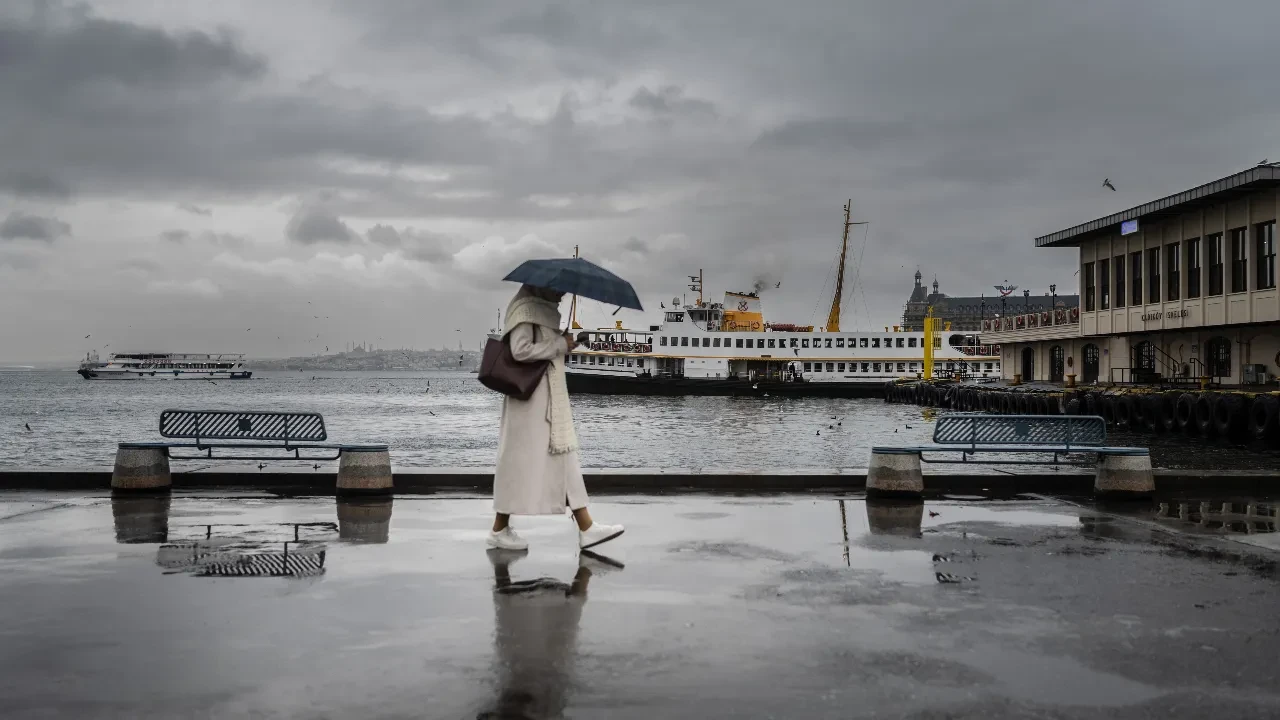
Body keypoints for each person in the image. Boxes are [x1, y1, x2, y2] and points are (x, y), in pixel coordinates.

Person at [488, 284, 624, 551]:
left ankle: (585, 527)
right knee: (521, 461)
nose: (562, 294)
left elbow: (541, 347)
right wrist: (560, 343)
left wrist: (562, 342)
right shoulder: (526, 310)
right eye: (559, 289)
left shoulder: (539, 310)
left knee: (562, 455)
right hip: (531, 402)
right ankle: (499, 529)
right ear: (543, 286)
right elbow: (520, 350)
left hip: (545, 398)